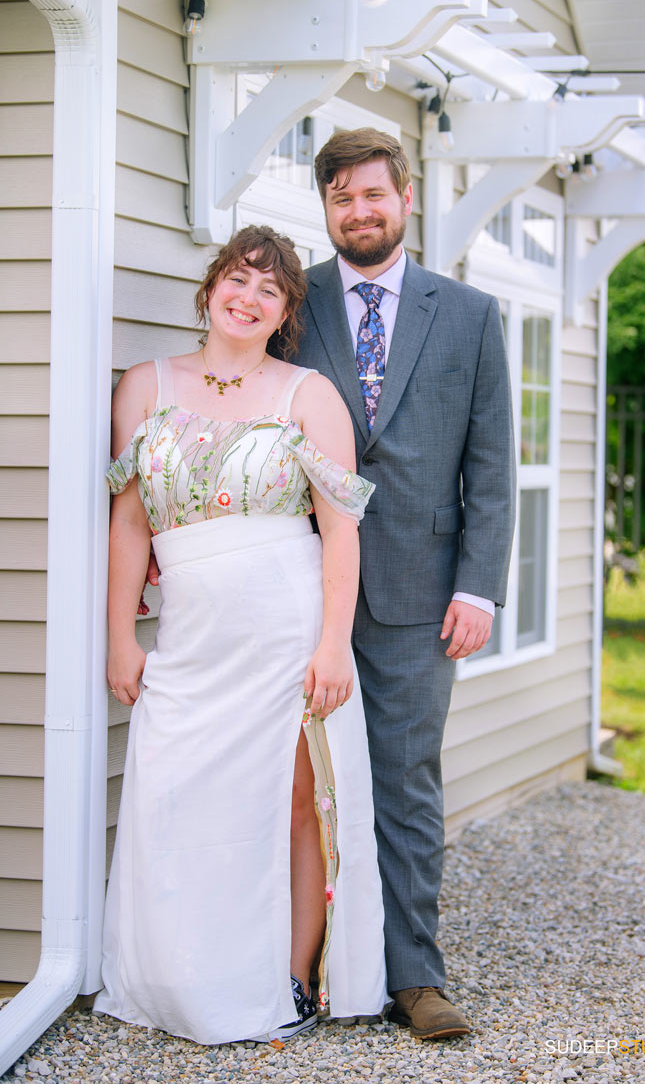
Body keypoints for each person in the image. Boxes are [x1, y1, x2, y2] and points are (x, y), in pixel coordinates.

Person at [94, 224, 389, 1045]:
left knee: (291, 804)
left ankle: (291, 979)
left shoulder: (308, 395)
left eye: (271, 288)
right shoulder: (144, 385)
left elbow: (340, 531)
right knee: (175, 795)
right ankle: (181, 977)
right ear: (211, 285)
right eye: (239, 277)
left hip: (285, 628)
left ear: (286, 310)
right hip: (188, 633)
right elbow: (127, 524)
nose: (249, 296)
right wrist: (122, 634)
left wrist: (334, 643)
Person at [284, 128, 516, 1039]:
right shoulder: (291, 300)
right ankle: (300, 965)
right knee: (299, 783)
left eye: (373, 195)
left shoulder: (466, 313)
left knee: (407, 782)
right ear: (329, 208)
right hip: (302, 584)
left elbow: (490, 465)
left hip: (424, 597)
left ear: (406, 197)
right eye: (342, 200)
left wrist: (480, 588)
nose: (360, 212)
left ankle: (414, 976)